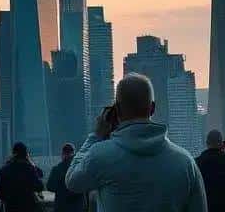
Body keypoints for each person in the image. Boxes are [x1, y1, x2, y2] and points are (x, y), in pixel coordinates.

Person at [65, 73, 207, 212]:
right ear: (152, 108)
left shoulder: (100, 155)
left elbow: (72, 181)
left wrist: (95, 136)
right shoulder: (185, 162)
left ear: (117, 109)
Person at [0, 142, 44, 212]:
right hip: (28, 207)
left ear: (13, 154)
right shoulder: (29, 169)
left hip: (10, 207)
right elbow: (40, 186)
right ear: (26, 155)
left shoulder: (4, 169)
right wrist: (31, 163)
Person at [46, 144, 85, 212]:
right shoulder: (80, 168)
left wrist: (61, 189)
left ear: (63, 154)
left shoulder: (56, 169)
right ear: (74, 154)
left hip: (61, 206)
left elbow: (50, 186)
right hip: (77, 207)